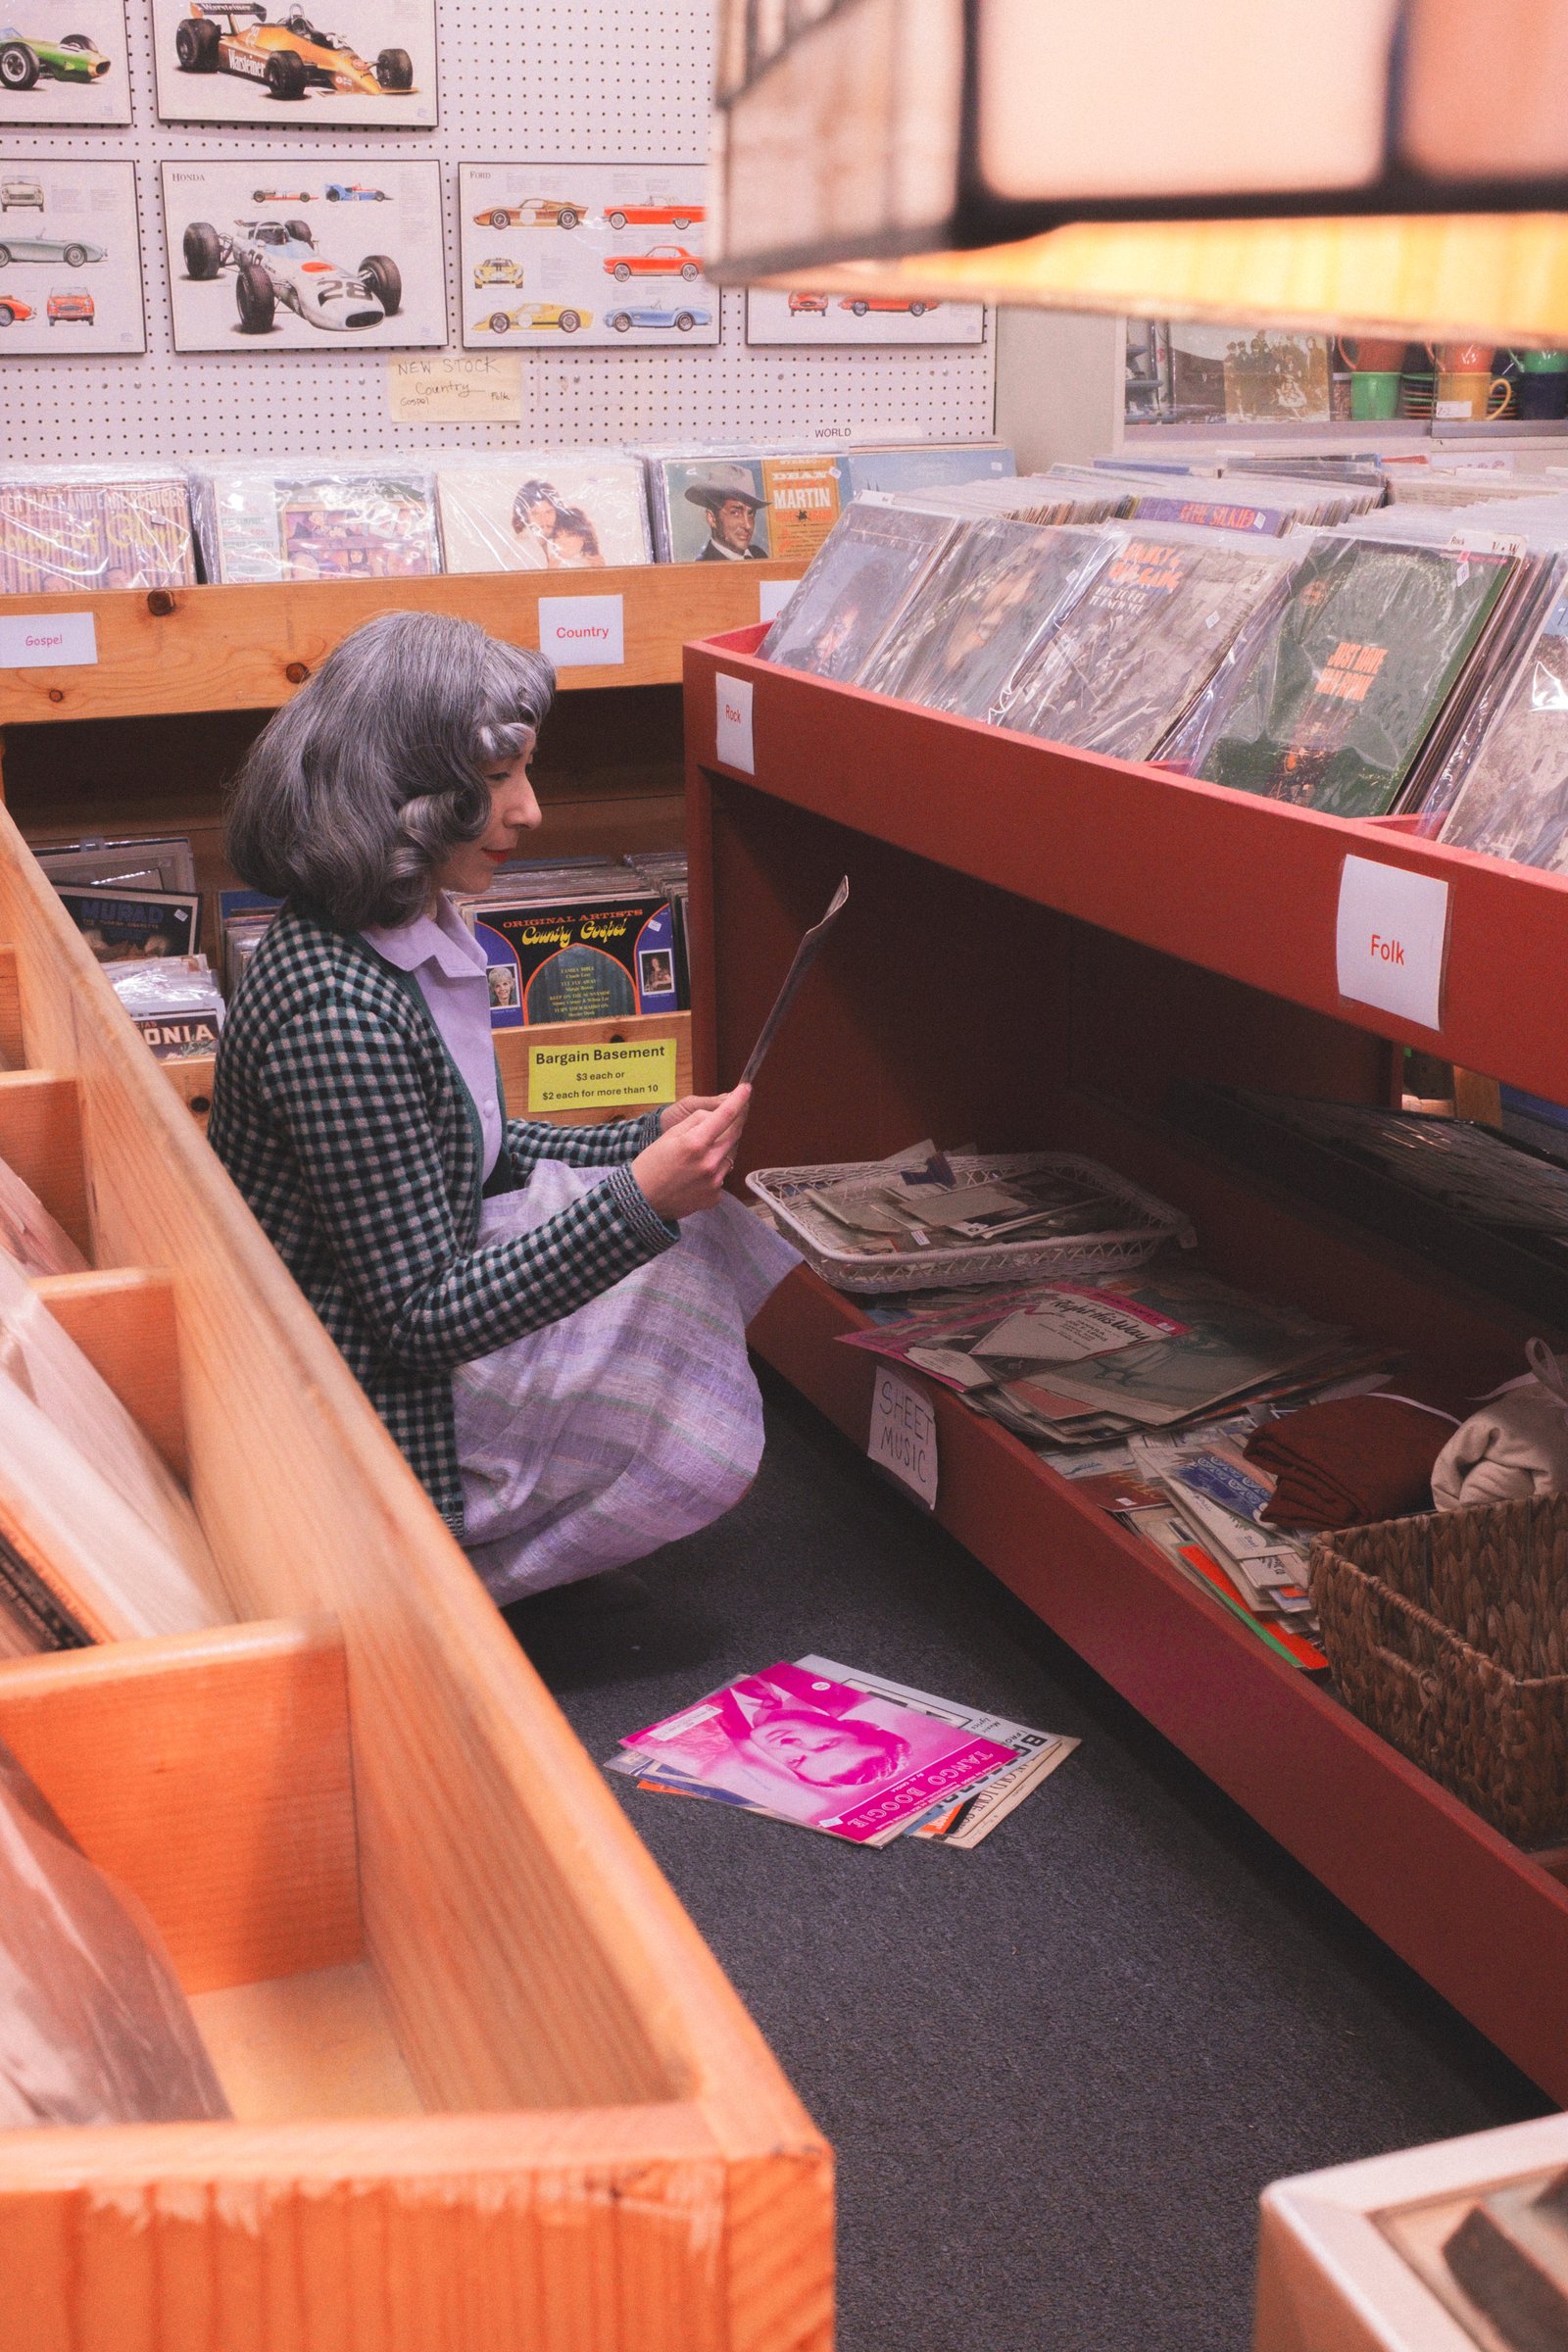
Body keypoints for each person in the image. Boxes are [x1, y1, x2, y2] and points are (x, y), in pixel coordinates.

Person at [210, 611, 798, 1602]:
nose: (529, 812)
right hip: (365, 1402)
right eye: (494, 782)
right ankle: (447, 1592)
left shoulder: (383, 940)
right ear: (397, 793)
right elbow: (419, 1318)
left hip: (376, 1331)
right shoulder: (335, 1009)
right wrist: (636, 1202)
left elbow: (457, 1140)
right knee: (669, 1273)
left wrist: (631, 1142)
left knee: (682, 1249)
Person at [684, 464, 767, 561]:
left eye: (751, 513)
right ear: (712, 519)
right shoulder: (705, 567)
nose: (748, 526)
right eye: (735, 513)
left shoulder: (758, 554)